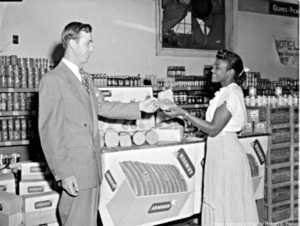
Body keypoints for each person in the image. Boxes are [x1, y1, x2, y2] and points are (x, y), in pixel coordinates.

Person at [38, 21, 159, 226]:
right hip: (75, 171)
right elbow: (50, 132)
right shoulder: (53, 80)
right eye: (88, 43)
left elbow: (103, 107)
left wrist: (140, 107)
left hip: (92, 167)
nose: (92, 48)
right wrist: (64, 173)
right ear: (72, 44)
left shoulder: (85, 78)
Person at [164, 49, 259, 226]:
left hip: (227, 157)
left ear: (230, 72)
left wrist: (184, 113)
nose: (212, 71)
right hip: (220, 154)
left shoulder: (231, 94)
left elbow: (214, 129)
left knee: (226, 203)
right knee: (219, 200)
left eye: (217, 67)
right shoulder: (225, 92)